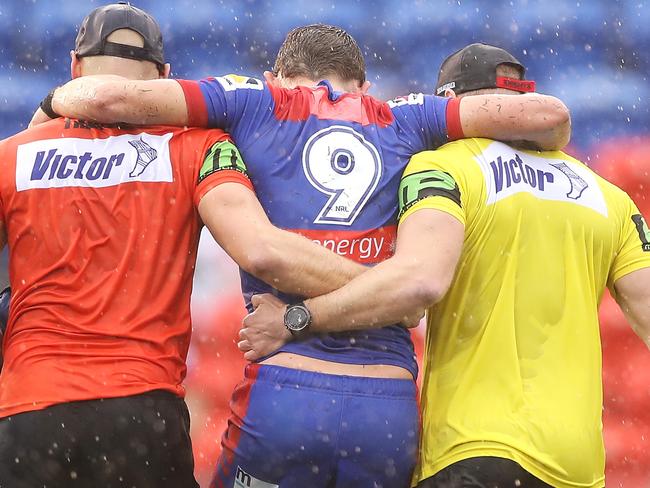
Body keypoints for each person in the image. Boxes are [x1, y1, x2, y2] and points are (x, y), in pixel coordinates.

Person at [38, 26, 571, 488]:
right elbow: (545, 114)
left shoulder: (252, 99)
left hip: (285, 393)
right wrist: (388, 292)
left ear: (278, 73)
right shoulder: (407, 117)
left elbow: (105, 99)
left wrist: (50, 104)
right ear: (363, 85)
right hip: (386, 407)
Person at [239, 43, 650, 488]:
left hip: (472, 449)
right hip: (579, 466)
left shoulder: (441, 168)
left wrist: (300, 319)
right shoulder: (609, 197)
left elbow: (418, 283)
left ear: (453, 106)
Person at [0, 6, 367, 487]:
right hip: (141, 417)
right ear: (163, 78)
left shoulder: (11, 154)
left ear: (75, 67)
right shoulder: (199, 146)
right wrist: (381, 289)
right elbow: (262, 251)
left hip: (28, 416)